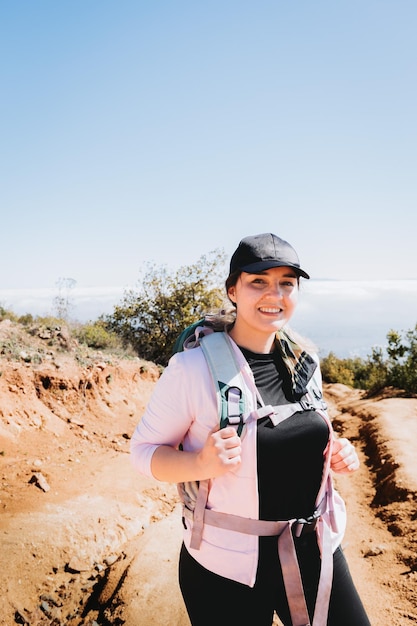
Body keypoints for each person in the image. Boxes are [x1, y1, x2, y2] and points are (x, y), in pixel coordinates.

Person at [130, 232, 371, 626]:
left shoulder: (304, 360)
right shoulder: (192, 370)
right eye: (258, 281)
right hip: (225, 567)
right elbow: (142, 452)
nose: (273, 294)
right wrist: (200, 463)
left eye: (286, 284)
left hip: (314, 548)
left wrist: (337, 452)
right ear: (232, 290)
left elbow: (301, 435)